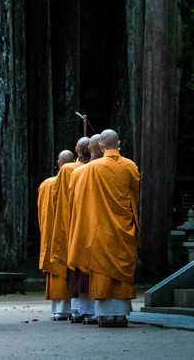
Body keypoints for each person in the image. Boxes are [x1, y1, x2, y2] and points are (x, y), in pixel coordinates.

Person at [68, 129, 139, 328]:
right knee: (122, 267)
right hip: (124, 228)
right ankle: (121, 314)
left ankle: (105, 315)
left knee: (102, 269)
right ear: (119, 143)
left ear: (100, 146)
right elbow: (134, 196)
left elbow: (81, 201)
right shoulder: (130, 166)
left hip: (100, 229)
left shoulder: (90, 169)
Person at [38, 150, 76, 321]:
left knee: (56, 268)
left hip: (51, 233)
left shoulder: (46, 184)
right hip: (70, 232)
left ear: (59, 163)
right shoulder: (77, 180)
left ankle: (58, 309)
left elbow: (41, 214)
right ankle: (74, 307)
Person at [67, 136, 95, 323]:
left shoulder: (73, 171)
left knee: (82, 268)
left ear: (78, 151)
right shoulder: (124, 167)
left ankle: (81, 308)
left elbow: (67, 204)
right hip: (100, 227)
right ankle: (89, 309)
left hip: (80, 225)